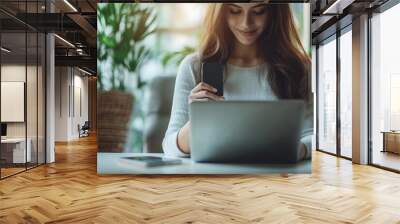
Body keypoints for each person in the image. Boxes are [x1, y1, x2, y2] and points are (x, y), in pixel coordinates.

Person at [162, 3, 313, 160]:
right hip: (216, 180)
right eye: (234, 11)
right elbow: (170, 148)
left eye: (258, 11)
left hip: (278, 179)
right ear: (220, 13)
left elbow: (315, 136)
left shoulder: (299, 68)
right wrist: (198, 122)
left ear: (274, 11)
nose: (246, 23)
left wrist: (299, 150)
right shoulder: (195, 67)